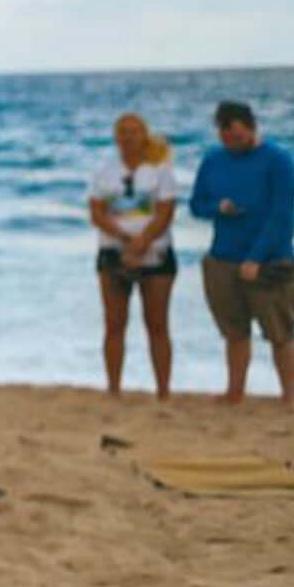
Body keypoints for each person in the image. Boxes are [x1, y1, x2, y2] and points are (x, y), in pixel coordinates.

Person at [189, 99, 294, 407]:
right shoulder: (213, 160)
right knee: (234, 331)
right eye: (225, 138)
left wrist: (256, 256)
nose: (231, 143)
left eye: (237, 137)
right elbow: (196, 205)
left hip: (271, 260)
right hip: (223, 257)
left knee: (281, 332)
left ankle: (288, 397)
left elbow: (282, 217)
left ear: (252, 128)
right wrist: (217, 208)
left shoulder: (278, 160)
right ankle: (234, 391)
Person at [87, 112, 180, 400]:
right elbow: (97, 212)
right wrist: (125, 239)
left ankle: (163, 390)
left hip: (156, 254)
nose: (128, 137)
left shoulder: (160, 169)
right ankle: (114, 388)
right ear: (116, 137)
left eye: (134, 131)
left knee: (157, 324)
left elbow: (165, 211)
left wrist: (144, 241)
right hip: (113, 253)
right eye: (123, 132)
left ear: (144, 135)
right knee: (114, 323)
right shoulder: (104, 171)